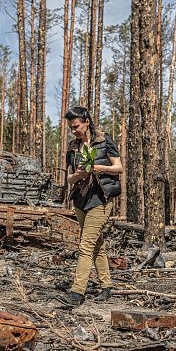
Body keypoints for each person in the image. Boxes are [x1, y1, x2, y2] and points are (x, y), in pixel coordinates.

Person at [58, 106, 123, 306]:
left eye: (76, 126)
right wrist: (78, 175)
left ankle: (77, 292)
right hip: (80, 199)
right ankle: (106, 286)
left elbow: (118, 168)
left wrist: (98, 168)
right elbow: (69, 178)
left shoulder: (104, 140)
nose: (73, 130)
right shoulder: (72, 147)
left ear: (87, 121)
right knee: (96, 245)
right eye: (70, 127)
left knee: (85, 245)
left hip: (101, 199)